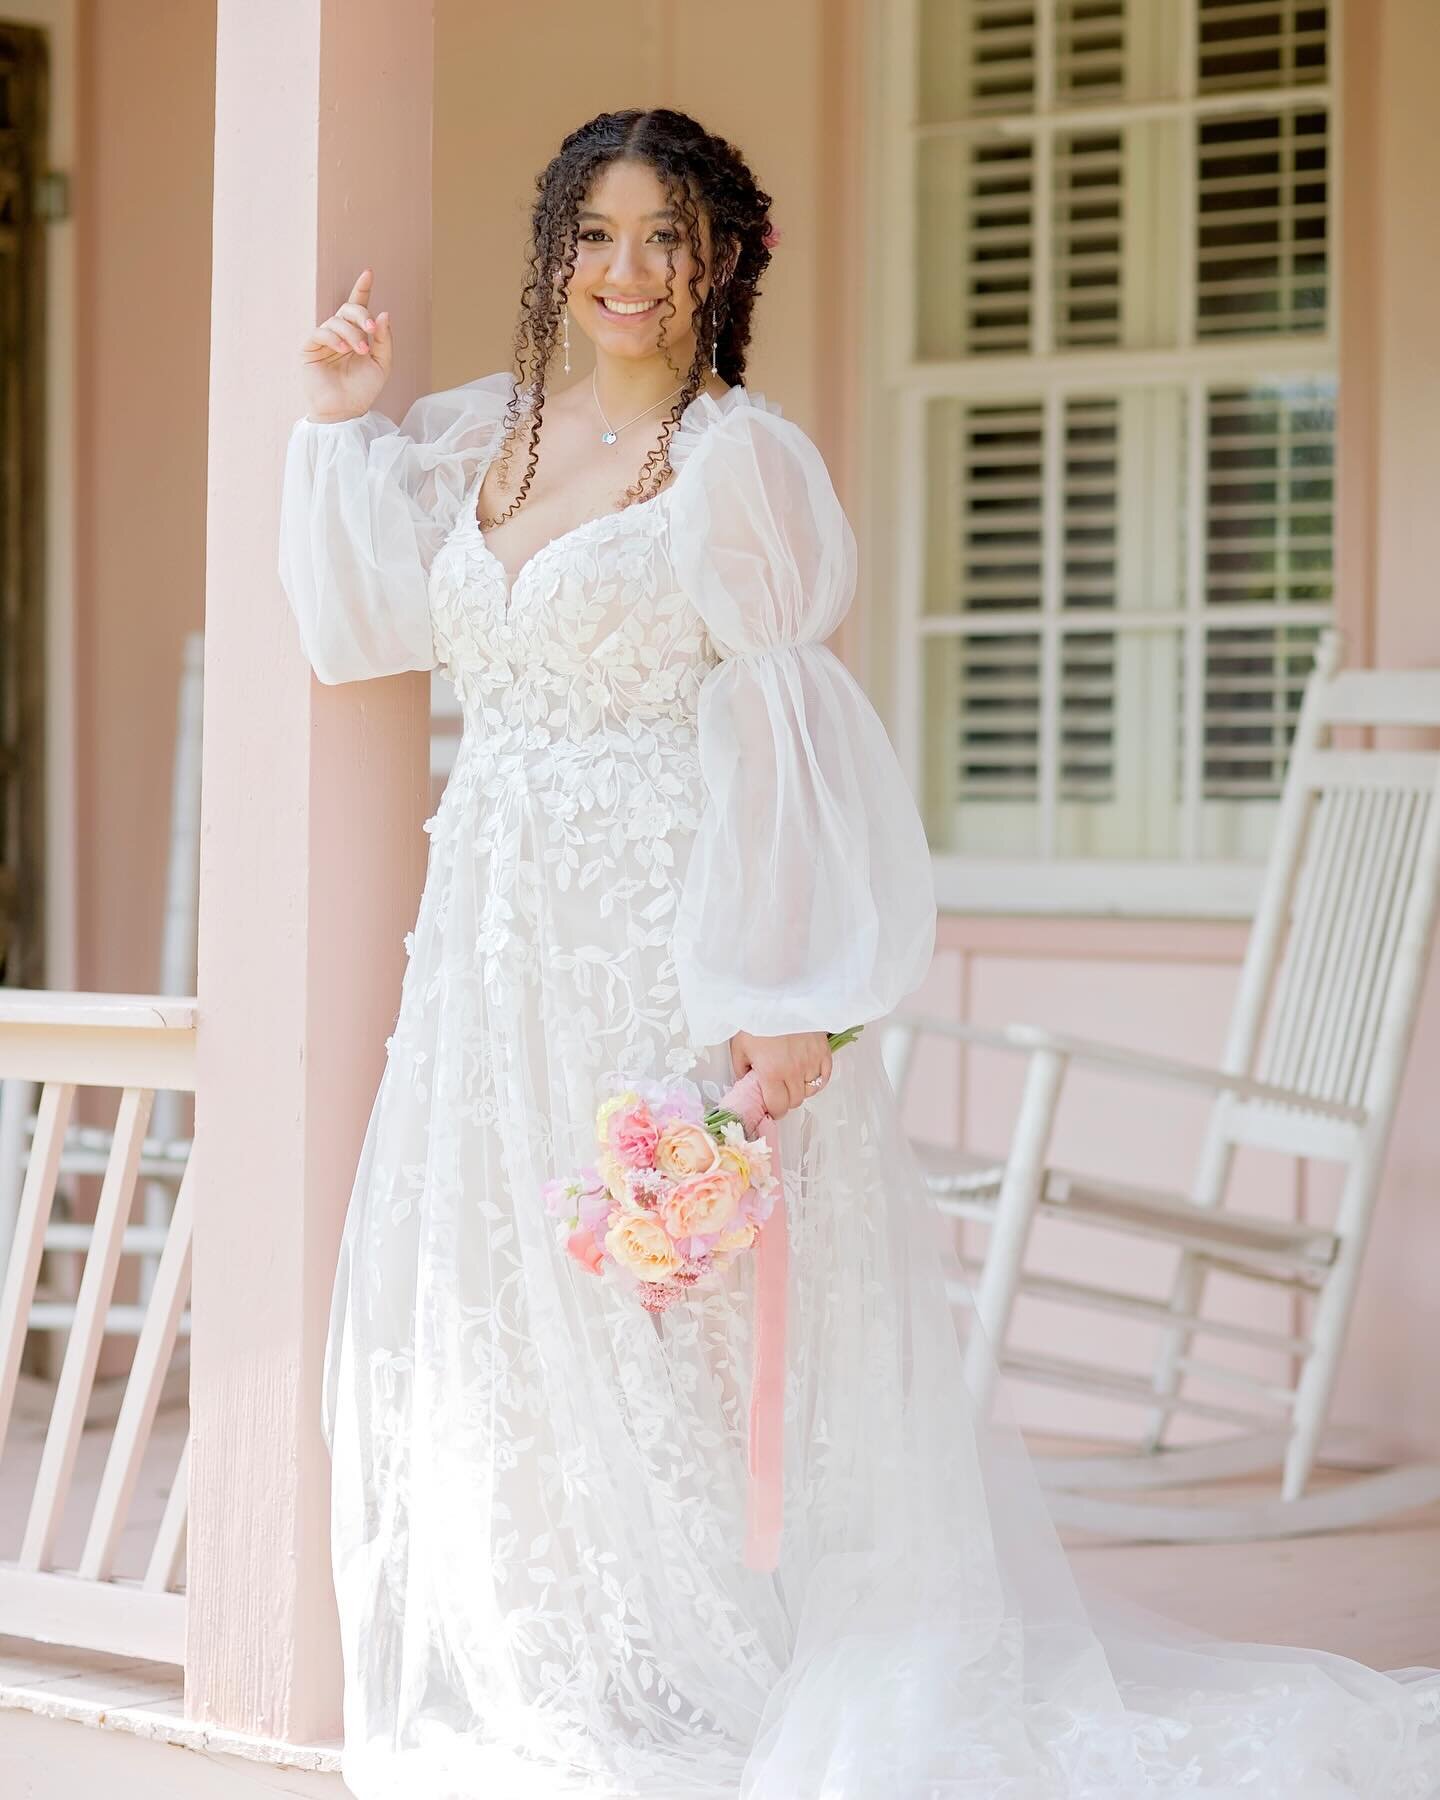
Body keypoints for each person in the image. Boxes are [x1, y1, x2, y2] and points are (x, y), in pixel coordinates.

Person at [279, 108, 1440, 1800]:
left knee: (683, 1313)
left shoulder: (740, 464)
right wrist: (331, 417)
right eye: (593, 234)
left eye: (664, 237)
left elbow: (792, 742)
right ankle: (570, 1641)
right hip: (489, 946)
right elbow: (352, 615)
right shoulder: (487, 444)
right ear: (552, 253)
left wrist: (794, 1001)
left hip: (658, 941)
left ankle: (707, 1643)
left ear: (718, 263)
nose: (623, 270)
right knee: (506, 1297)